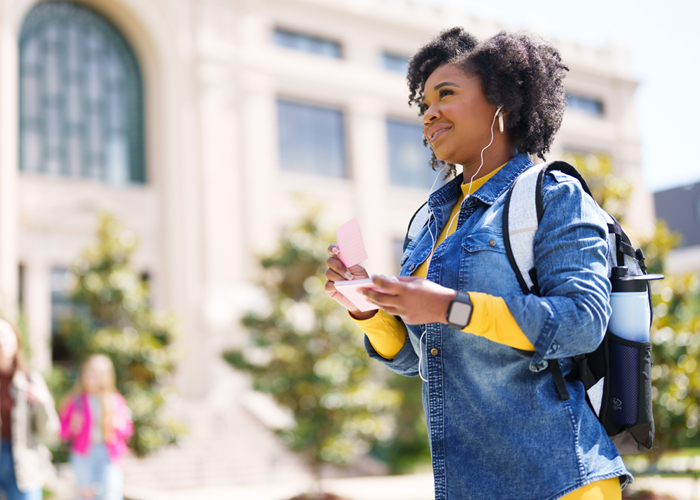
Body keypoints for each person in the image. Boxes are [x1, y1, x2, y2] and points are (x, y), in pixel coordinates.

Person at [325, 28, 630, 499]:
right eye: (423, 103)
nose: (429, 113)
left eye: (445, 94)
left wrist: (451, 306)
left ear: (502, 105)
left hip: (561, 482)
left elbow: (581, 322)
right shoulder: (429, 222)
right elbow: (419, 360)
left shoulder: (552, 195)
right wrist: (369, 309)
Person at [0, 318, 59, 500]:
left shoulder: (30, 379)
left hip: (24, 461)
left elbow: (50, 432)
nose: (2, 341)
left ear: (17, 339)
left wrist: (43, 402)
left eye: (6, 335)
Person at [60, 354, 133, 500]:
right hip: (84, 454)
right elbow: (62, 431)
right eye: (88, 372)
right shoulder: (76, 400)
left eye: (96, 373)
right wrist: (73, 428)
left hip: (108, 453)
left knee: (111, 494)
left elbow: (127, 430)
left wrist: (118, 425)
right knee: (85, 496)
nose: (90, 376)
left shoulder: (115, 400)